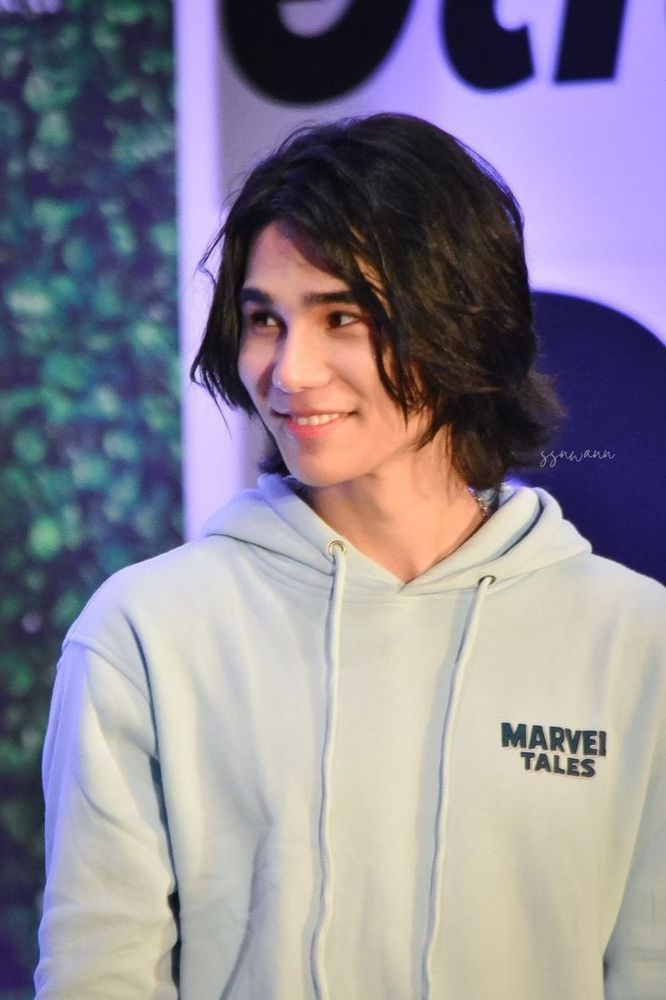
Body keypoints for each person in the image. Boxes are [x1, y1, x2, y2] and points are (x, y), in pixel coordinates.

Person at [35, 114, 665, 999]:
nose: (291, 371)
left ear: (462, 318)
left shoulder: (635, 639)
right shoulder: (146, 632)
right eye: (264, 319)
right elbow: (97, 975)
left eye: (343, 317)